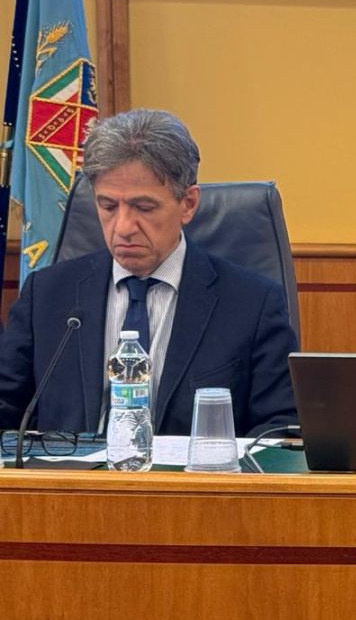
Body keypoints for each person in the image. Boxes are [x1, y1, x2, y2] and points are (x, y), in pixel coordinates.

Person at [0, 109, 299, 438]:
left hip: (193, 472)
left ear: (188, 204)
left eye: (143, 207)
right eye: (108, 206)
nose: (123, 227)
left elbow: (280, 430)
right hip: (68, 471)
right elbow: (6, 406)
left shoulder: (252, 304)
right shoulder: (47, 294)